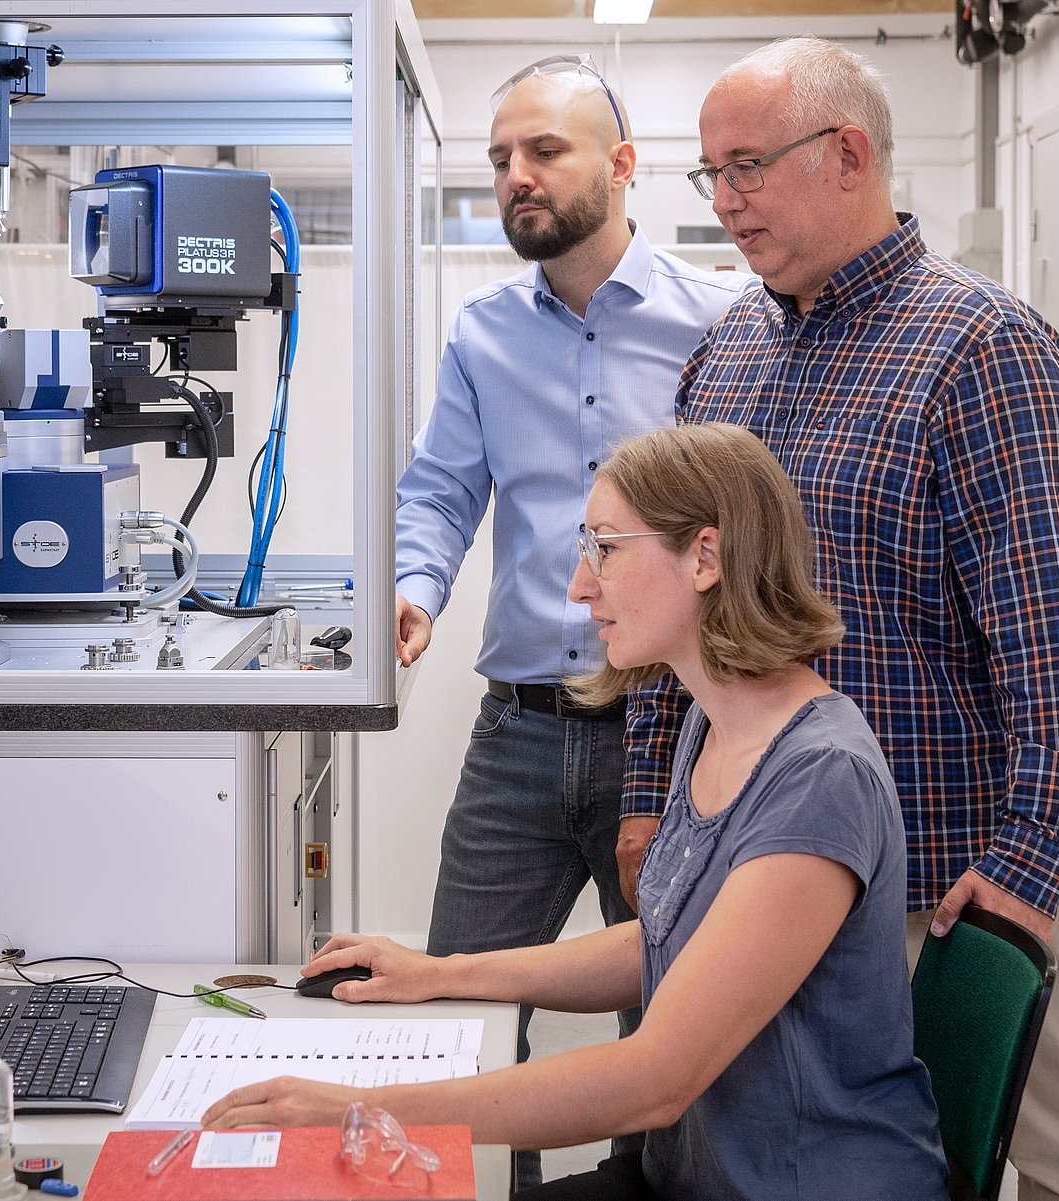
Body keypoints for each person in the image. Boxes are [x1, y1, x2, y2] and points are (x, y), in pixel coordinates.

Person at [622, 37, 1059, 1201]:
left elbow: (1058, 646)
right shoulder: (724, 359)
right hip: (782, 877)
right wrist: (642, 800)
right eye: (709, 173)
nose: (724, 201)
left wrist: (1021, 871)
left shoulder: (983, 349)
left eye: (748, 167)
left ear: (847, 155)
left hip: (966, 881)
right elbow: (679, 609)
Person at [206, 423, 947, 1201]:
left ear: (705, 556)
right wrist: (441, 972)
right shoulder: (715, 723)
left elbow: (653, 1077)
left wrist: (356, 1111)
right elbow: (661, 944)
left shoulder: (819, 774)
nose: (578, 585)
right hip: (689, 1175)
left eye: (606, 548)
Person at [393, 56, 749, 1186]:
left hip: (672, 732)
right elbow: (442, 489)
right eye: (501, 159)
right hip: (522, 735)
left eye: (543, 151)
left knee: (668, 1013)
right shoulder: (483, 333)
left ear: (623, 165)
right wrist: (417, 585)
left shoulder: (722, 322)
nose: (517, 177)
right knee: (450, 993)